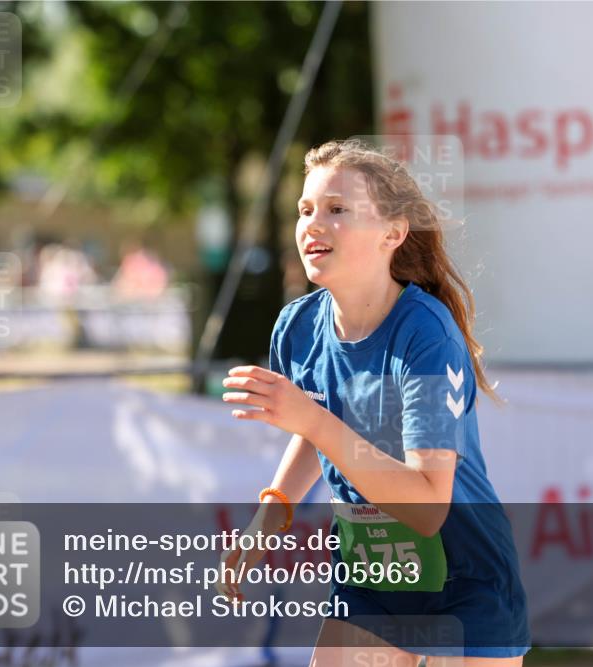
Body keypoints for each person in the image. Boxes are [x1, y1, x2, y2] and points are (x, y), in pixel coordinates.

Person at [218, 139, 531, 665]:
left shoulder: (426, 332)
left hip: (466, 580)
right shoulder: (297, 326)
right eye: (305, 209)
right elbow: (316, 423)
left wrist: (312, 421)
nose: (313, 224)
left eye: (338, 209)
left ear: (393, 233)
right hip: (373, 577)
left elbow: (428, 507)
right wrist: (271, 513)